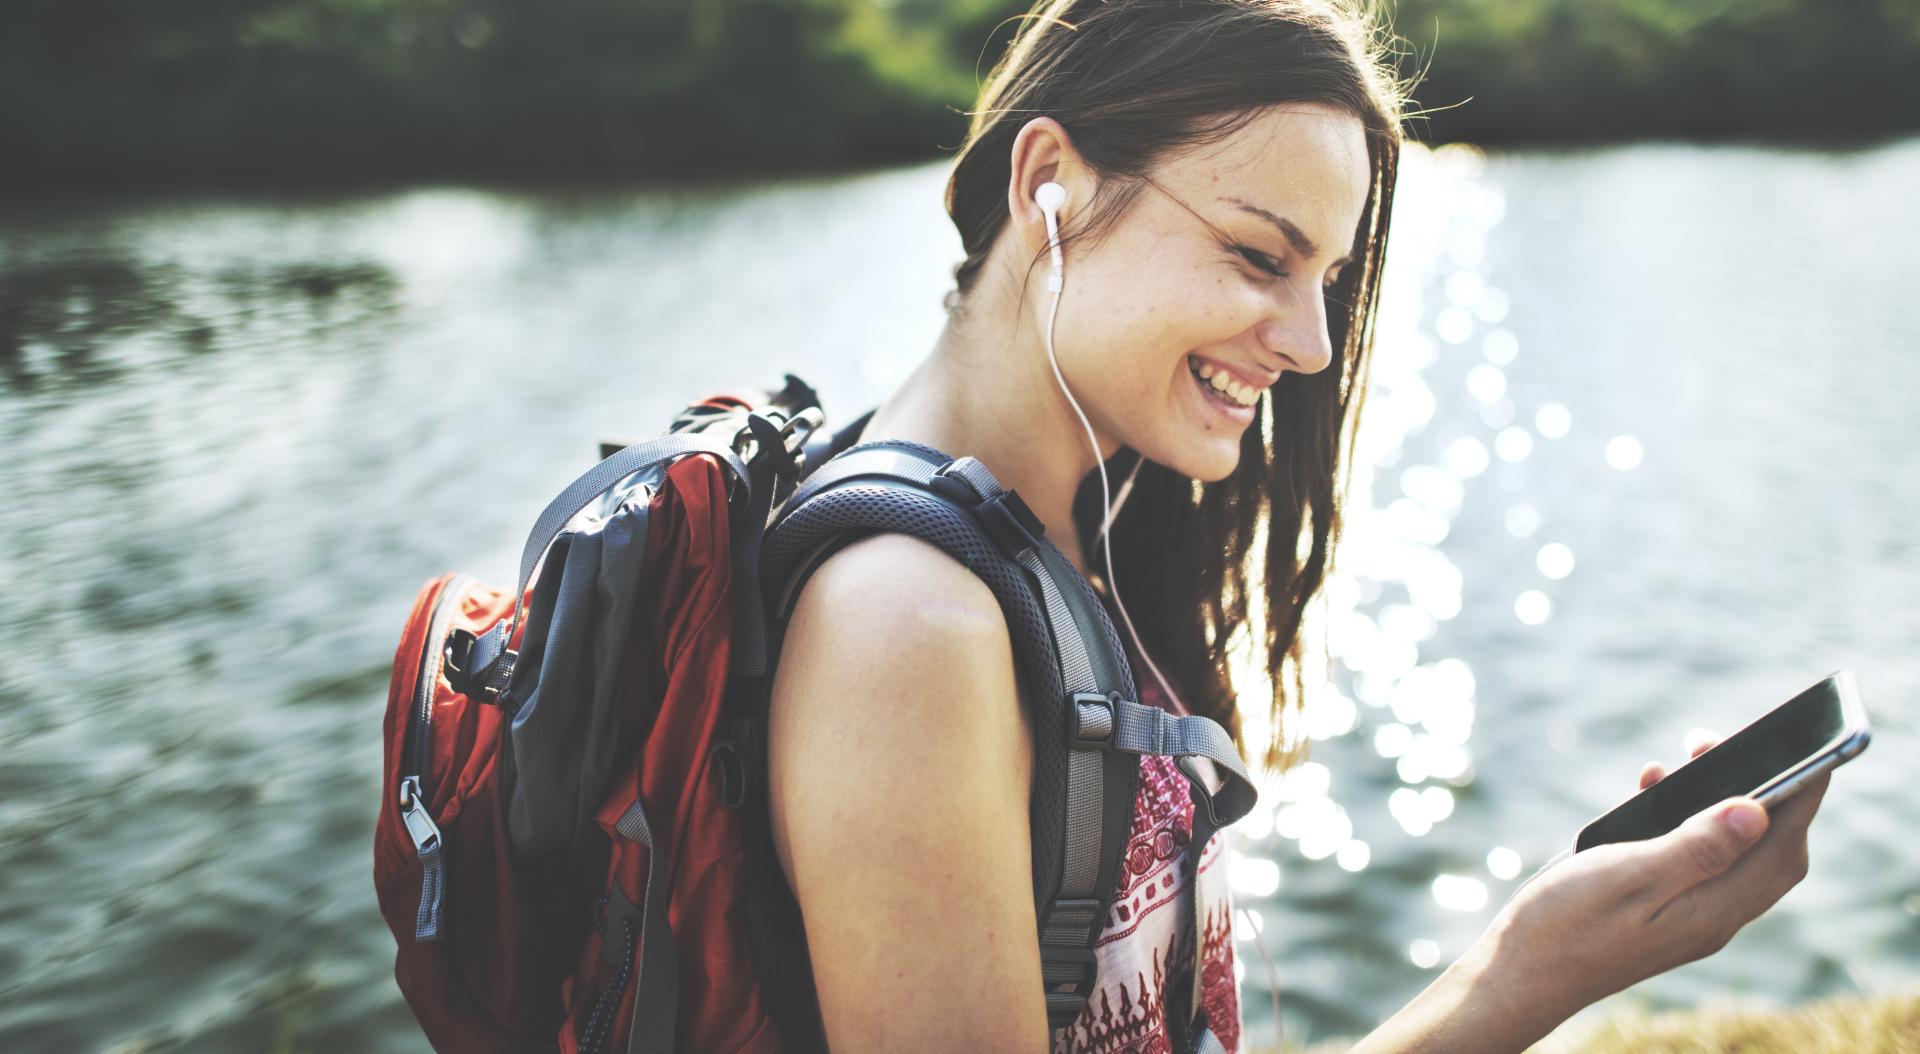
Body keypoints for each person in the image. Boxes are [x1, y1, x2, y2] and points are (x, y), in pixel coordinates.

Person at [763, 1, 1830, 1051]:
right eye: (1259, 256)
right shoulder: (907, 624)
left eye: (1326, 276)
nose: (1316, 345)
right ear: (1051, 182)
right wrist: (1527, 974)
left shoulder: (1064, 524)